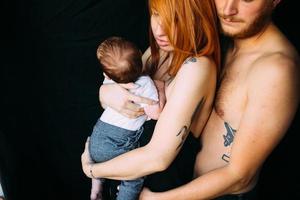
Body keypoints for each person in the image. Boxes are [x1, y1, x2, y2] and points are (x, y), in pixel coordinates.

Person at [137, 0, 300, 199]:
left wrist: (156, 199)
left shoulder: (276, 69)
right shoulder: (215, 37)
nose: (228, 9)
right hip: (179, 182)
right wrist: (110, 92)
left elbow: (239, 175)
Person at [81, 0, 220, 198]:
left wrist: (92, 170)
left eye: (174, 19)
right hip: (122, 184)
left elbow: (158, 158)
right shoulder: (158, 54)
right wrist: (105, 93)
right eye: (156, 13)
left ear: (197, 19)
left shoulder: (198, 66)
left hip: (159, 190)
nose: (160, 30)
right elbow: (119, 105)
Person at [88, 36, 165, 200]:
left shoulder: (109, 81)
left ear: (106, 74)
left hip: (96, 138)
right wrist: (161, 89)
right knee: (133, 176)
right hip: (118, 144)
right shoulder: (145, 83)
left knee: (100, 162)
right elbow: (155, 113)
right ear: (139, 55)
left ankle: (96, 189)